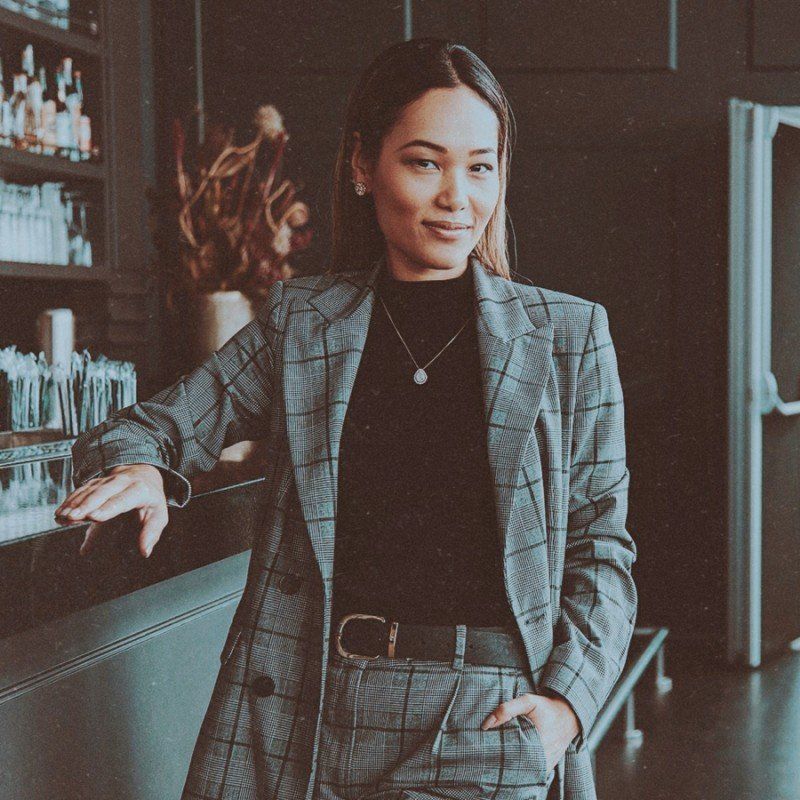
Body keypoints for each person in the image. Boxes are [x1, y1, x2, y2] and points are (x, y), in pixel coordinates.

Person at [55, 37, 636, 800]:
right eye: (426, 162)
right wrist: (146, 469)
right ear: (363, 166)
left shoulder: (566, 336)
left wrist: (566, 703)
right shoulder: (306, 323)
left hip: (484, 719)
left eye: (480, 166)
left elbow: (602, 549)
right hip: (305, 704)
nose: (457, 196)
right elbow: (155, 424)